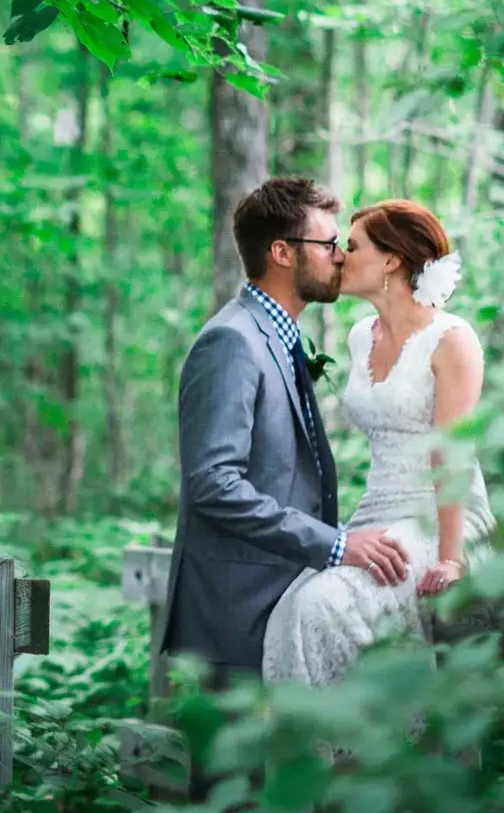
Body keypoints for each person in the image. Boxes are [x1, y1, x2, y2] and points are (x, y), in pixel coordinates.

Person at [158, 178, 413, 681]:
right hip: (234, 616)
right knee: (232, 763)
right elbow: (213, 485)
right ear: (281, 252)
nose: (339, 256)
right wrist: (336, 545)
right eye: (327, 244)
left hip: (284, 606)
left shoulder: (278, 335)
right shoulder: (231, 341)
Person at [260, 198, 493, 686]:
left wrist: (452, 560)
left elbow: (451, 451)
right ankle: (327, 753)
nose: (340, 256)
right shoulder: (360, 336)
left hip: (438, 516)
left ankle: (390, 742)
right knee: (288, 613)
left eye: (352, 245)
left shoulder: (453, 339)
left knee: (321, 605)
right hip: (375, 512)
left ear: (391, 260)